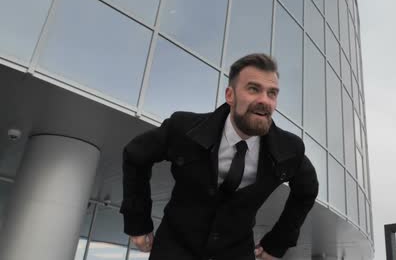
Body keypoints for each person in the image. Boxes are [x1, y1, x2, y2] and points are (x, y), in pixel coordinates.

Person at [120, 53, 319, 260]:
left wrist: (278, 242)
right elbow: (135, 155)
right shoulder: (183, 128)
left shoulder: (289, 150)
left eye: (272, 93)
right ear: (230, 95)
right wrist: (137, 221)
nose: (264, 100)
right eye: (253, 89)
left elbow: (307, 190)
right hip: (174, 249)